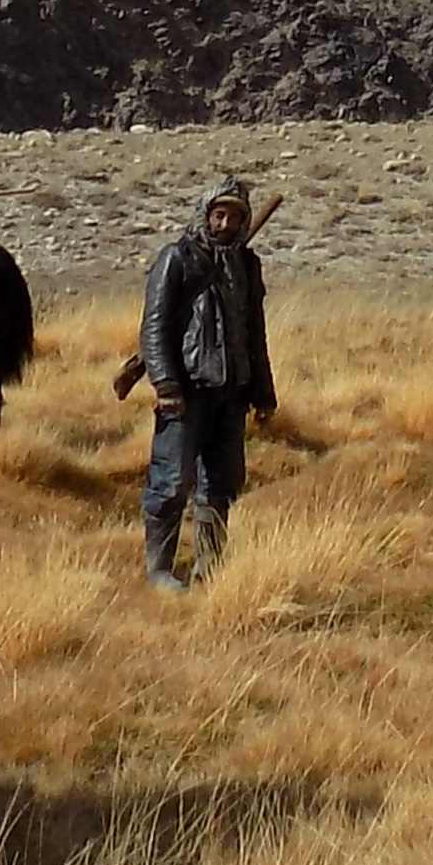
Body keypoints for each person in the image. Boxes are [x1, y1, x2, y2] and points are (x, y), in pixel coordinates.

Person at [130, 178, 277, 591]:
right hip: (185, 393)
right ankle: (159, 570)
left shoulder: (247, 265)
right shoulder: (176, 258)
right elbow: (154, 329)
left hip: (231, 393)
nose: (226, 223)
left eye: (234, 216)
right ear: (206, 214)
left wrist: (263, 393)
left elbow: (254, 332)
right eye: (219, 214)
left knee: (221, 484)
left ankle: (208, 570)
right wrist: (166, 384)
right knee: (171, 482)